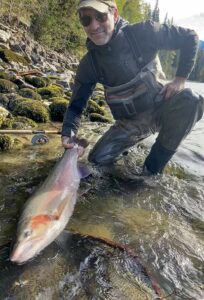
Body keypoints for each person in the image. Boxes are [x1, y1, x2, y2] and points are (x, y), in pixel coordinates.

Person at [61, 0, 204, 175]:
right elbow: (76, 106)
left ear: (114, 14)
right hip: (131, 123)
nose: (94, 25)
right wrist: (68, 134)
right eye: (86, 20)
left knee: (192, 100)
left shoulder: (144, 32)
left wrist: (180, 80)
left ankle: (152, 171)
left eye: (100, 16)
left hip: (163, 105)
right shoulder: (89, 64)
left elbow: (190, 37)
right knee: (96, 161)